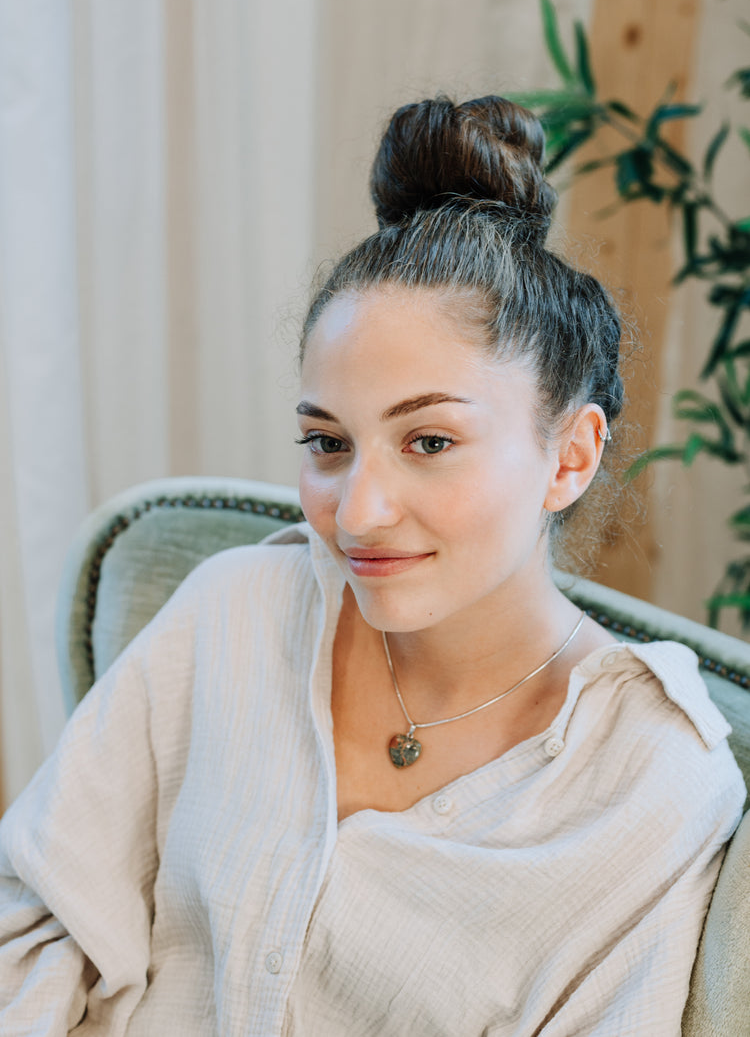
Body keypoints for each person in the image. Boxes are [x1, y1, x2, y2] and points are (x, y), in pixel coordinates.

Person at [0, 95, 745, 1036]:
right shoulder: (230, 613)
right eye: (327, 441)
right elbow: (40, 922)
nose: (355, 512)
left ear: (570, 456)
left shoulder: (649, 781)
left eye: (429, 441)